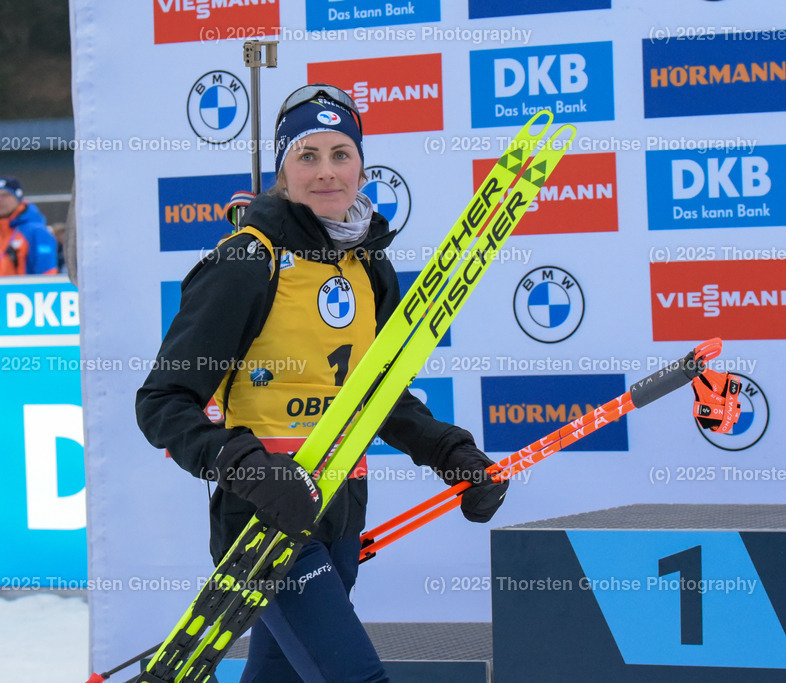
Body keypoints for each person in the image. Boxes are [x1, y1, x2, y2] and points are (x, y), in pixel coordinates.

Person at [136, 84, 508, 683]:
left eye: (341, 154)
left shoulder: (368, 264)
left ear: (362, 166)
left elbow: (373, 393)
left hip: (343, 508)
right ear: (283, 171)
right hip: (265, 518)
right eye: (307, 156)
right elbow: (162, 403)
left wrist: (449, 452)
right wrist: (250, 468)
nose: (326, 172)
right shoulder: (246, 262)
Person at [0, 176, 59, 276]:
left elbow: (47, 274)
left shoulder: (36, 232)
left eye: (5, 195)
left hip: (24, 291)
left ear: (18, 198)